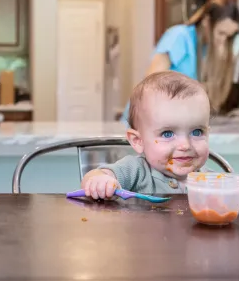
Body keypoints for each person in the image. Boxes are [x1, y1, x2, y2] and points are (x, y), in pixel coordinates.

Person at [121, 0, 239, 124]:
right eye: (221, 33)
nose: (223, 40)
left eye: (228, 36)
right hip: (145, 121)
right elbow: (150, 82)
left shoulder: (207, 50)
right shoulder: (179, 37)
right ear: (206, 22)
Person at [82, 71, 211, 199]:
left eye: (197, 132)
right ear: (138, 141)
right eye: (167, 134)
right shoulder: (136, 170)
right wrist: (101, 181)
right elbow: (94, 176)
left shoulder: (211, 180)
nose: (185, 145)